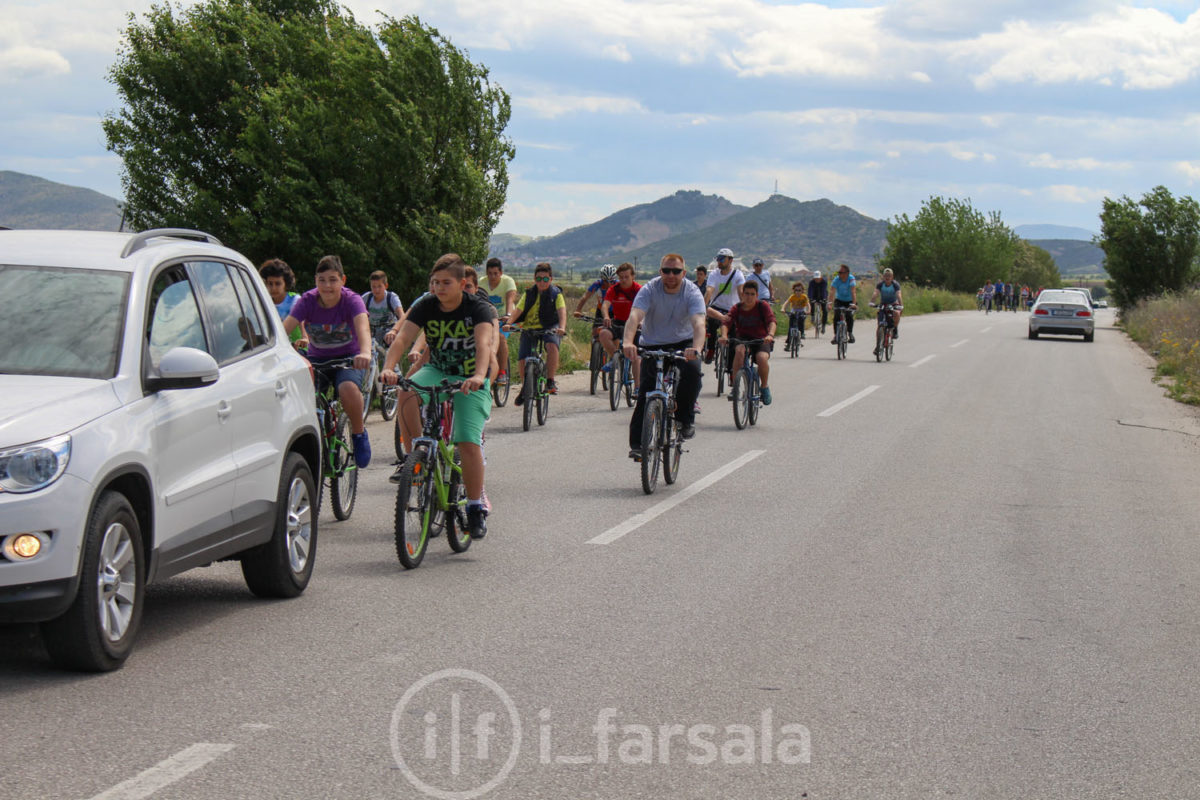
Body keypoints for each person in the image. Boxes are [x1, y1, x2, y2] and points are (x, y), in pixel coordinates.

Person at [382, 254, 496, 538]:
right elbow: (402, 339)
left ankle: (473, 507)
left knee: (468, 442)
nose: (439, 288)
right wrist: (388, 367)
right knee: (405, 391)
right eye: (435, 283)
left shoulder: (478, 308)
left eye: (446, 282)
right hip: (437, 369)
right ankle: (417, 457)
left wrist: (480, 376)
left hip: (470, 376)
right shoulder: (426, 306)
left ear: (462, 284)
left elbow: (483, 344)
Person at [283, 254, 372, 468]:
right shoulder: (307, 301)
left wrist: (366, 353)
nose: (327, 285)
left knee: (348, 388)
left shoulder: (352, 300)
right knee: (305, 394)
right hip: (317, 358)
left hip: (349, 358)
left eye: (333, 280)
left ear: (343, 280)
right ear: (315, 281)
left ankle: (359, 434)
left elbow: (363, 328)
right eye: (322, 280)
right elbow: (284, 329)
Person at [623, 254, 705, 460]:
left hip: (683, 343)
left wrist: (696, 348)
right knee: (646, 391)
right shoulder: (650, 289)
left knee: (693, 371)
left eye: (676, 271)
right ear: (660, 272)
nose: (671, 275)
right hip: (653, 343)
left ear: (684, 273)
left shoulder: (692, 292)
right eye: (666, 271)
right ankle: (638, 444)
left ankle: (685, 420)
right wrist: (628, 342)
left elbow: (698, 323)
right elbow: (635, 316)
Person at [510, 262, 567, 400]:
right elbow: (518, 310)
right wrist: (508, 323)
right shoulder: (529, 293)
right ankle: (525, 388)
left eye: (546, 279)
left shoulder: (556, 293)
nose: (542, 282)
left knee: (552, 346)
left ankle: (550, 381)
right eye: (539, 279)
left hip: (549, 326)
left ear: (551, 279)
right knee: (523, 358)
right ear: (534, 279)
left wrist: (562, 327)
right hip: (530, 327)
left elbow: (562, 312)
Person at [720, 280, 776, 405]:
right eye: (746, 294)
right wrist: (724, 335)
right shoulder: (737, 308)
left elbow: (772, 321)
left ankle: (764, 387)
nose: (749, 297)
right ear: (742, 294)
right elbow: (726, 322)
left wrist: (770, 335)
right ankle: (735, 387)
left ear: (756, 295)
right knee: (739, 351)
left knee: (761, 358)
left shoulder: (763, 306)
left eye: (752, 294)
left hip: (762, 338)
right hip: (743, 338)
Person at [599, 262, 642, 386]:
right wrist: (606, 316)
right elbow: (605, 305)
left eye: (626, 277)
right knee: (603, 334)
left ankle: (637, 387)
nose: (623, 280)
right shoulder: (614, 289)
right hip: (618, 322)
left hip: (634, 323)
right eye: (621, 277)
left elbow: (646, 308)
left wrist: (642, 321)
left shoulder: (638, 290)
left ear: (633, 276)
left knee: (635, 356)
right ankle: (615, 359)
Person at [703, 247, 745, 363]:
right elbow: (709, 291)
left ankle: (731, 372)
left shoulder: (738, 275)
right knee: (711, 323)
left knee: (733, 337)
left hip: (732, 308)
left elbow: (741, 293)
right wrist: (703, 307)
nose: (719, 262)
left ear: (730, 260)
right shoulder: (714, 274)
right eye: (718, 259)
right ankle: (711, 350)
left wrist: (744, 310)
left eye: (722, 259)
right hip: (716, 306)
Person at [484, 257, 518, 386]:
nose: (492, 276)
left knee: (500, 338)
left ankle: (502, 372)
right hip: (487, 319)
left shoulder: (508, 282)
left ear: (501, 273)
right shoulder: (481, 283)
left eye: (495, 273)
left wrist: (509, 315)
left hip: (505, 318)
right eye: (489, 273)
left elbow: (510, 299)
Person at [260, 258, 305, 344]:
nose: (273, 288)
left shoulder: (294, 300)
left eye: (278, 284)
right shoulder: (264, 302)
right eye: (270, 283)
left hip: (297, 348)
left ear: (286, 284)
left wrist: (304, 337)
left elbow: (302, 323)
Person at [361, 270, 405, 345]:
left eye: (379, 286)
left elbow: (402, 317)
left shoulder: (391, 297)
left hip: (389, 330)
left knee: (389, 341)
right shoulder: (366, 298)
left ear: (386, 286)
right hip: (372, 331)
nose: (376, 290)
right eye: (373, 287)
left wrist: (394, 330)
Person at [870, 268, 903, 355]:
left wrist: (900, 305)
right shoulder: (880, 284)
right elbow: (875, 293)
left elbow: (898, 295)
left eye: (889, 276)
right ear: (883, 276)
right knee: (880, 324)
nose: (887, 277)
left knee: (896, 313)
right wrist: (872, 302)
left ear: (892, 277)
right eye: (886, 275)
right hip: (883, 304)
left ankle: (895, 328)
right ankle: (878, 346)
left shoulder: (895, 285)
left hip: (893, 303)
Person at [828, 263, 857, 345]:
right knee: (836, 315)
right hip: (839, 300)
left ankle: (850, 333)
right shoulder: (836, 279)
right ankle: (836, 335)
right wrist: (830, 303)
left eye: (841, 272)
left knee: (849, 315)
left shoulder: (851, 279)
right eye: (839, 272)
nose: (839, 274)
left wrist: (854, 304)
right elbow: (832, 291)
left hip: (849, 301)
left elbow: (853, 291)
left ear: (847, 273)